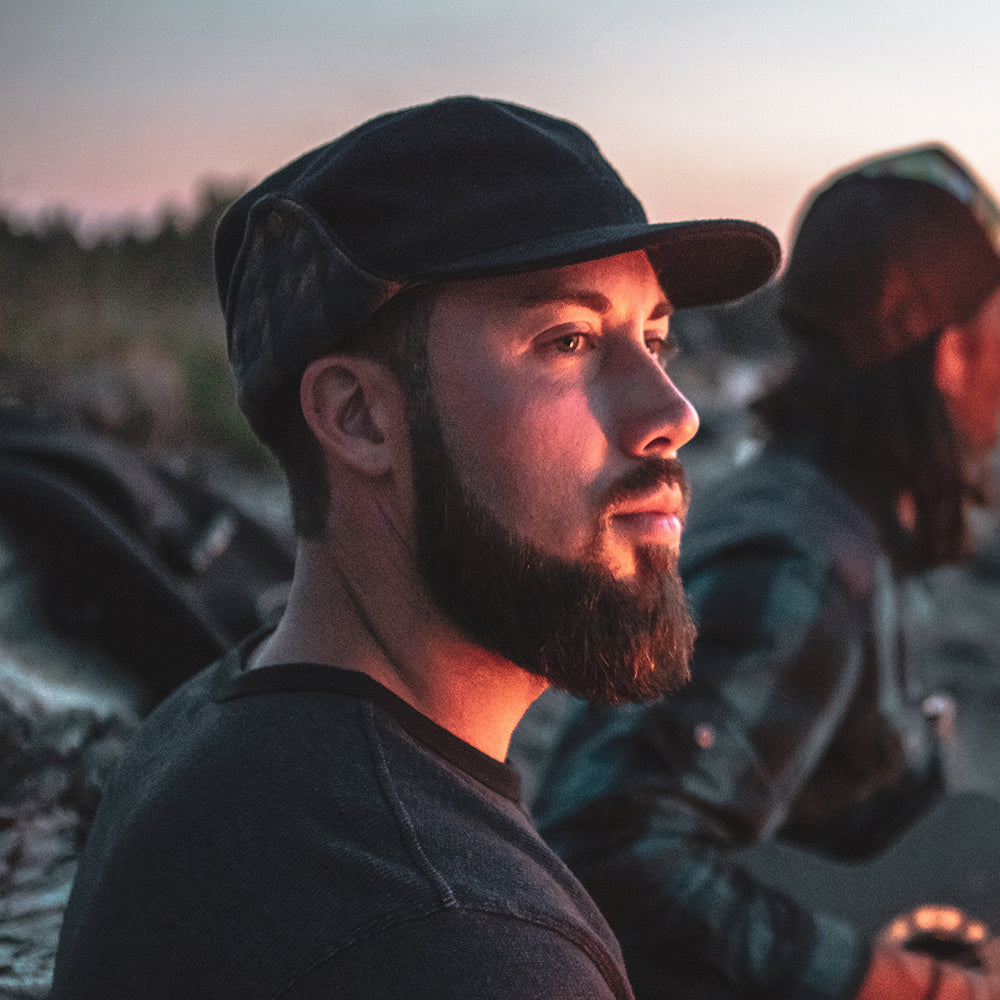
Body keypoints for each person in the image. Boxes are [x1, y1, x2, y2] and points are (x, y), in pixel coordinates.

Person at [48, 96, 779, 999]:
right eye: (570, 339)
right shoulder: (455, 939)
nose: (676, 412)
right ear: (359, 417)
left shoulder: (220, 717)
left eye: (656, 338)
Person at [529, 143, 1000, 1000]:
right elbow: (608, 850)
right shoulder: (803, 563)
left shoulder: (840, 518)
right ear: (951, 355)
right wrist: (911, 985)